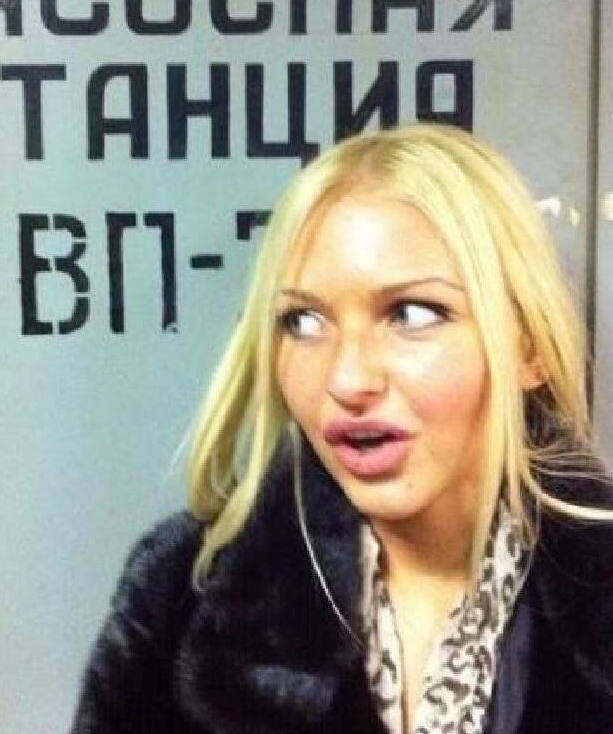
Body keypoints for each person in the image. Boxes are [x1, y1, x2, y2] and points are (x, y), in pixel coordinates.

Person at [70, 124, 613, 734]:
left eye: (412, 313)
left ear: (528, 347)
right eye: (302, 321)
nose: (347, 379)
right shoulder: (177, 597)